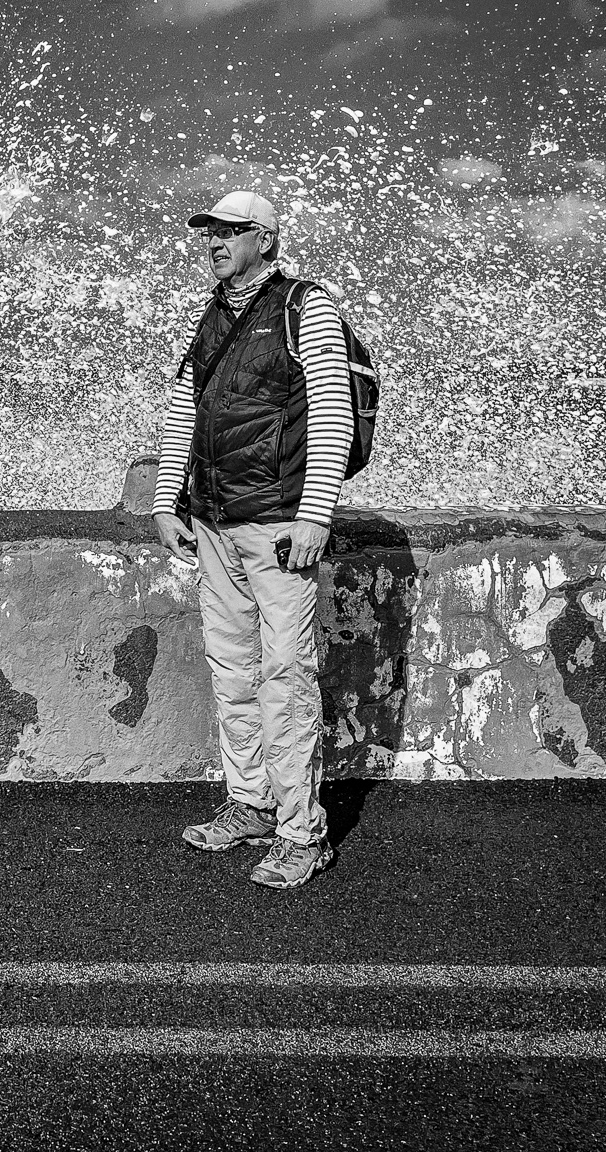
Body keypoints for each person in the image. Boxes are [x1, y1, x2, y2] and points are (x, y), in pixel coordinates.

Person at [152, 189, 354, 890]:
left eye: (230, 230)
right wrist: (166, 502)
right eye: (209, 230)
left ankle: (302, 833)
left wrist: (315, 515)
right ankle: (251, 803)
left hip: (276, 526)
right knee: (233, 672)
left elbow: (332, 410)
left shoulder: (305, 308)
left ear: (264, 240)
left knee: (285, 678)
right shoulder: (213, 314)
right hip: (213, 522)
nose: (214, 241)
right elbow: (185, 409)